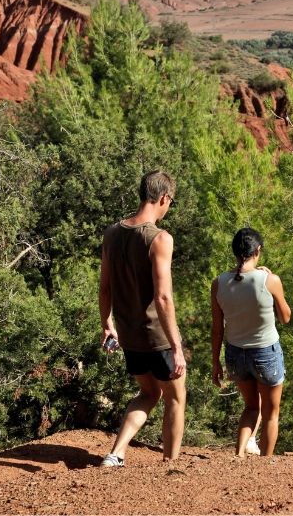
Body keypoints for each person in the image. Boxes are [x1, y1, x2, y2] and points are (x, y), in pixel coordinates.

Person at [99, 170, 186, 467]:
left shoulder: (112, 234)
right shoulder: (160, 239)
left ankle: (116, 453)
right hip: (157, 337)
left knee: (148, 393)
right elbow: (163, 298)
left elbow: (105, 287)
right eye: (170, 203)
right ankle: (170, 464)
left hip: (129, 336)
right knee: (175, 397)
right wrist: (176, 346)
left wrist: (106, 324)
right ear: (163, 198)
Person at [211, 227, 291, 457]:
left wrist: (215, 362)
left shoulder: (219, 283)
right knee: (270, 414)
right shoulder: (269, 280)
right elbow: (285, 317)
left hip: (235, 353)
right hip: (266, 352)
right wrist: (275, 283)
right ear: (258, 250)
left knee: (250, 407)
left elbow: (217, 329)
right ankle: (266, 463)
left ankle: (239, 455)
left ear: (235, 251)